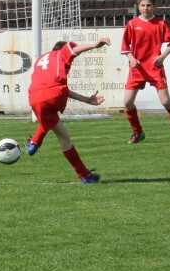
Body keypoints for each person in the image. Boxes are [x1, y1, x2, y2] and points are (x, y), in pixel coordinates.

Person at [24, 38, 111, 184]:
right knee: (61, 134)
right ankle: (34, 143)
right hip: (54, 94)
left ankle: (84, 175)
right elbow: (74, 50)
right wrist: (95, 45)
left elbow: (59, 88)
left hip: (35, 97)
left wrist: (87, 100)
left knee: (63, 136)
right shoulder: (60, 53)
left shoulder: (41, 60)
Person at [120, 0, 170, 144]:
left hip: (154, 68)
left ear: (154, 7)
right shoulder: (132, 24)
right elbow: (125, 46)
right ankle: (138, 132)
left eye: (149, 5)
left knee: (165, 102)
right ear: (138, 7)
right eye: (143, 5)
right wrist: (131, 58)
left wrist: (162, 56)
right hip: (137, 69)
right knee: (127, 102)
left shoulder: (161, 24)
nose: (146, 8)